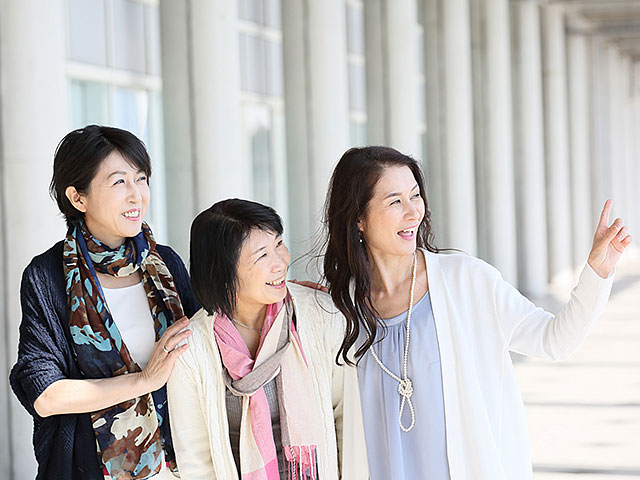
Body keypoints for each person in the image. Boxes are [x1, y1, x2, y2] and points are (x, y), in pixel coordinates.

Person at [322, 146, 632, 480]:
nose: (413, 213)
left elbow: (554, 340)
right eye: (395, 201)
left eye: (415, 196)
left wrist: (596, 273)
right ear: (359, 217)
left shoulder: (466, 280)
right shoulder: (340, 308)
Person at [9, 125, 199, 480]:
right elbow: (46, 395)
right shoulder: (48, 276)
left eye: (141, 179)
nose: (136, 195)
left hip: (182, 464)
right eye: (118, 182)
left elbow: (215, 340)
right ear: (78, 198)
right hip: (92, 468)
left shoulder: (167, 265)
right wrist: (146, 380)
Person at [166, 198, 368, 480]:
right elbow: (197, 461)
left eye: (278, 244)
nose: (280, 262)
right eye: (262, 255)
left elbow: (347, 419)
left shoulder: (321, 316)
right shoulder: (190, 350)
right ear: (224, 273)